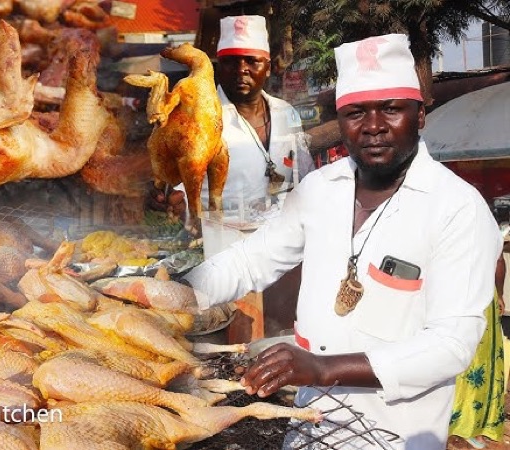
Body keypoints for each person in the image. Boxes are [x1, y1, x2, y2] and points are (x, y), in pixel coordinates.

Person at [184, 34, 503, 449]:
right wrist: (174, 293)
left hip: (394, 436)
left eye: (391, 109)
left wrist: (321, 368)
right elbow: (250, 260)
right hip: (309, 428)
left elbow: (451, 345)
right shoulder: (320, 189)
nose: (372, 126)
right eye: (356, 112)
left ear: (419, 114)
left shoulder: (457, 208)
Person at [149, 15, 314, 219]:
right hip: (221, 242)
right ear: (218, 69)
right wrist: (175, 200)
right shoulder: (192, 119)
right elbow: (176, 184)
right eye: (231, 62)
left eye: (252, 61)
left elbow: (306, 176)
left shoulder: (286, 112)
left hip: (283, 240)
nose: (241, 69)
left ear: (268, 68)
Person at [447, 255, 506, 449]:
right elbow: (498, 262)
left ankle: (460, 426)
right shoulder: (490, 227)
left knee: (456, 354)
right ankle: (469, 427)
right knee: (479, 359)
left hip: (452, 292)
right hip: (481, 297)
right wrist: (499, 293)